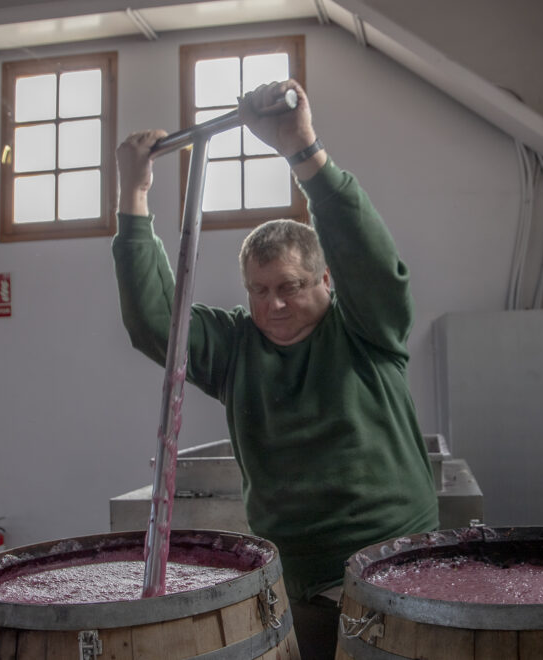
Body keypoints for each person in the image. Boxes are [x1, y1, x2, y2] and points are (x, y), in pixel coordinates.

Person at [112, 79, 438, 658]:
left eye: (288, 287)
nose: (273, 305)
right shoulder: (237, 347)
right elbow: (155, 322)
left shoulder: (366, 328)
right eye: (258, 291)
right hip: (291, 579)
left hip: (394, 565)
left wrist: (303, 152)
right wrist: (134, 196)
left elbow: (376, 267)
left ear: (325, 281)